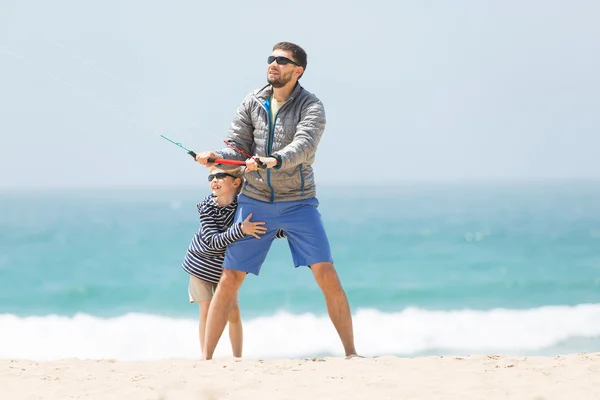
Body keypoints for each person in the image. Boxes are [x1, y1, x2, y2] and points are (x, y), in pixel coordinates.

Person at [195, 41, 359, 360]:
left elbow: (303, 147)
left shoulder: (311, 106)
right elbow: (238, 147)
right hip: (255, 201)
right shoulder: (253, 101)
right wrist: (217, 157)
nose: (273, 64)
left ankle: (352, 354)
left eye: (282, 61)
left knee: (326, 272)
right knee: (229, 277)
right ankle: (206, 360)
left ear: (297, 71)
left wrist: (272, 160)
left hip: (299, 202)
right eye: (271, 58)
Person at [181, 165, 284, 359]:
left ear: (236, 182)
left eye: (220, 175)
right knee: (206, 309)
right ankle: (206, 358)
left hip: (225, 268)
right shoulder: (207, 209)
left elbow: (258, 229)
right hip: (200, 264)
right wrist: (241, 230)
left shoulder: (242, 207)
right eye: (211, 177)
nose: (214, 179)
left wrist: (284, 231)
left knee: (233, 311)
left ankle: (237, 358)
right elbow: (213, 241)